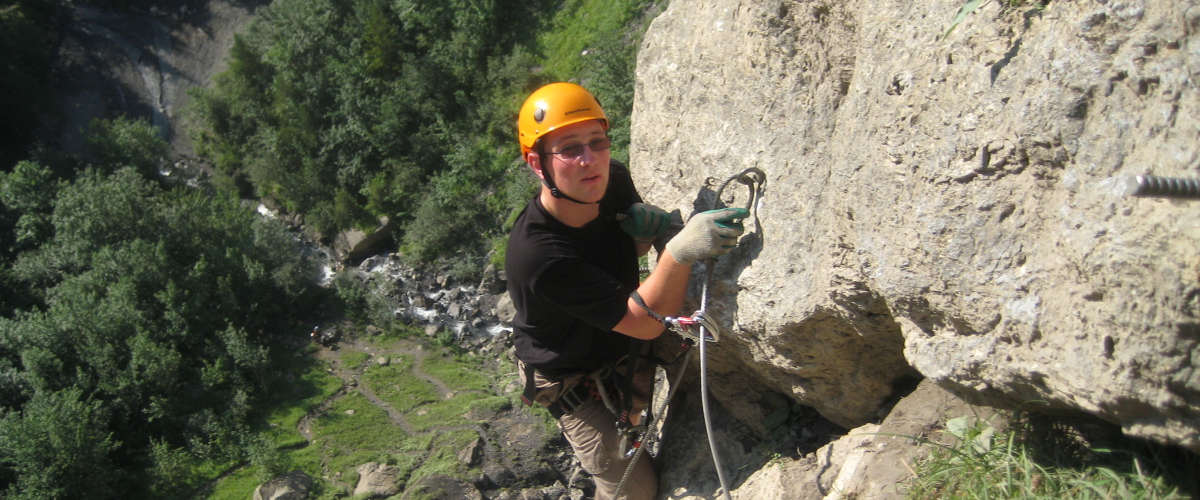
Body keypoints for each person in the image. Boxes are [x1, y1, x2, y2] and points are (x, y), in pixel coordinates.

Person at [506, 82, 748, 500]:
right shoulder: (538, 254)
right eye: (568, 149)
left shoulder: (611, 178)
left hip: (616, 342)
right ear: (536, 163)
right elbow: (645, 324)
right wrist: (678, 252)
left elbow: (611, 258)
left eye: (597, 141)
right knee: (634, 491)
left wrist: (640, 239)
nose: (589, 159)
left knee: (638, 430)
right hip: (571, 378)